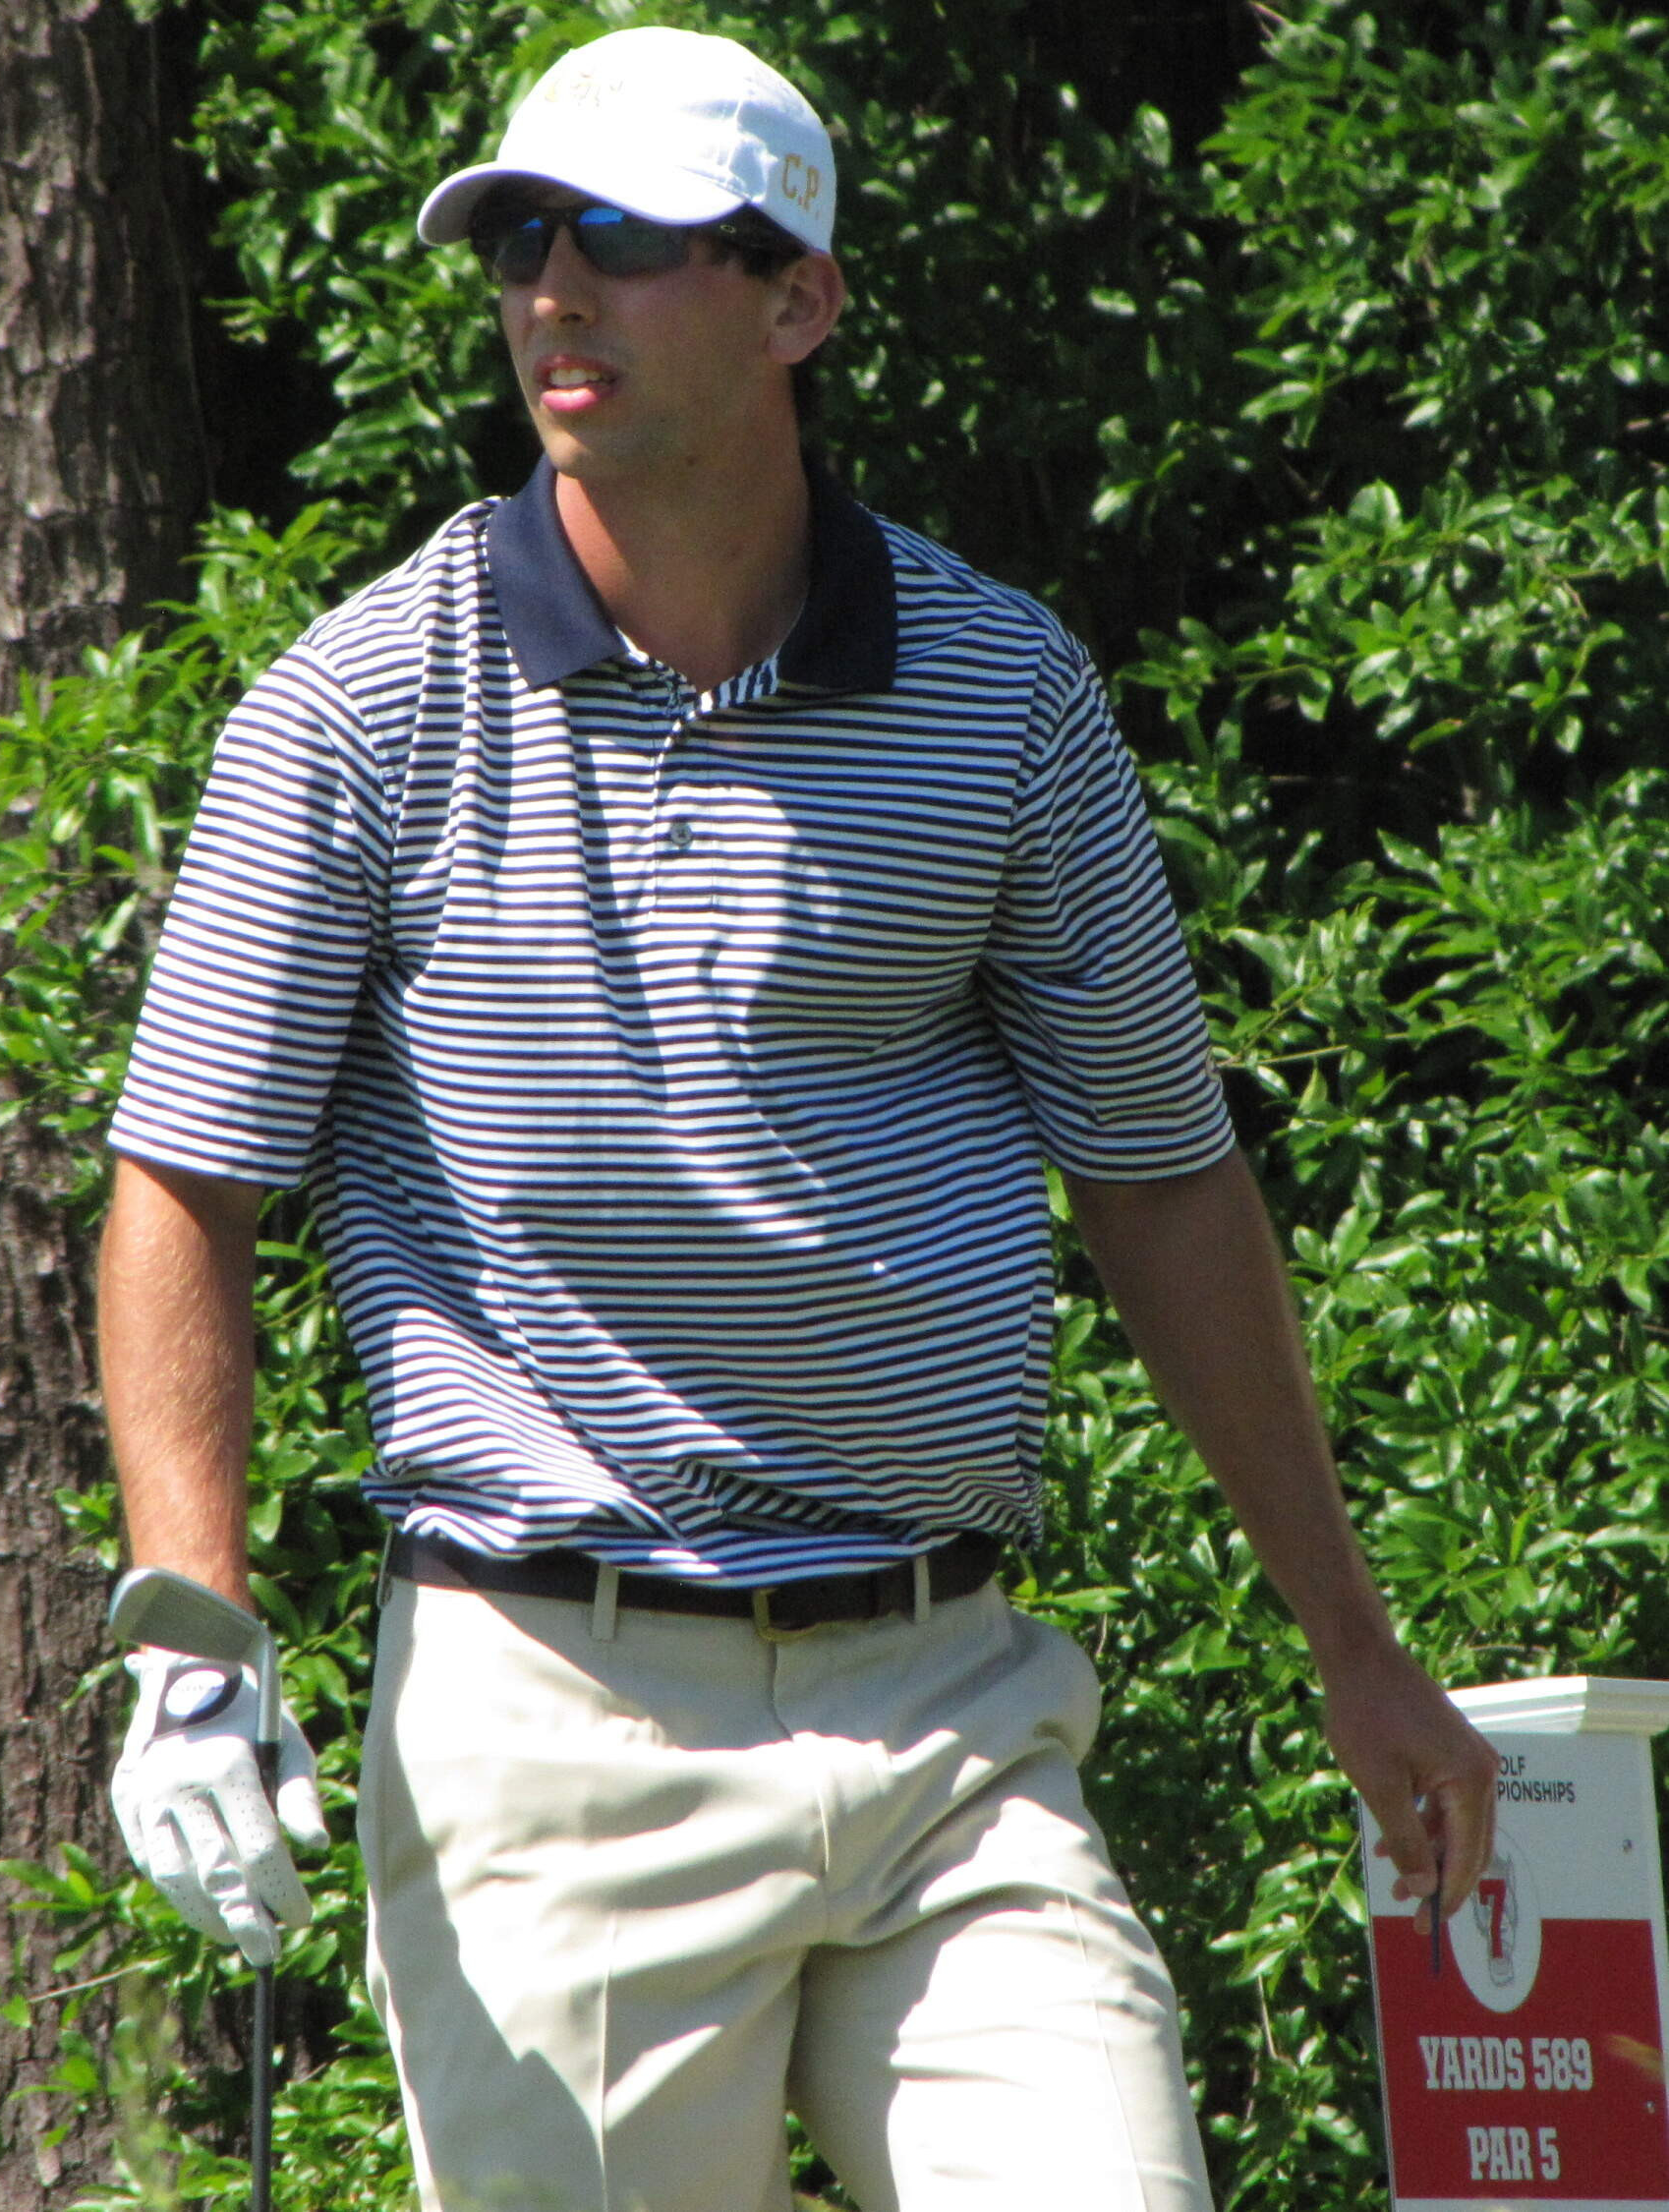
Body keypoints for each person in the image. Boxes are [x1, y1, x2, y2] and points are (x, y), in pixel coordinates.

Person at [100, 27, 1496, 2212]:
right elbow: (187, 1176)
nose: (554, 292)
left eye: (628, 243)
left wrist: (1356, 1642)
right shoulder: (362, 707)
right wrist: (193, 1630)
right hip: (554, 1729)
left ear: (798, 300)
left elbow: (1163, 1180)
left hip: (954, 1706)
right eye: (522, 241)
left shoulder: (1004, 690)